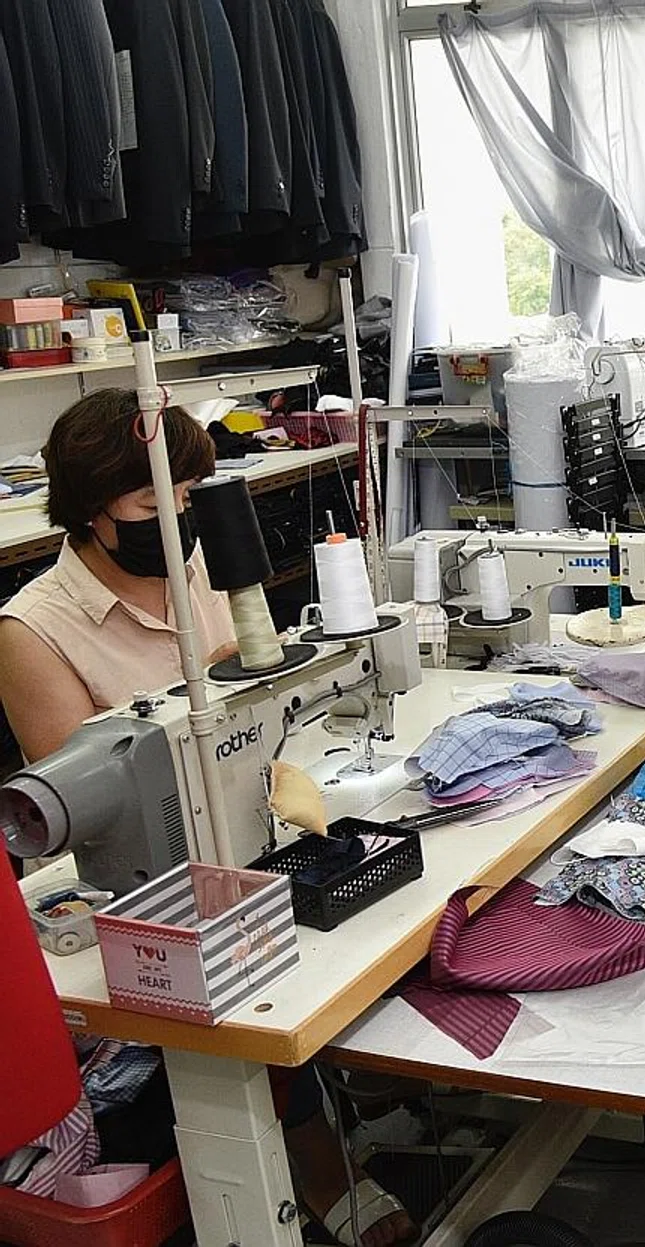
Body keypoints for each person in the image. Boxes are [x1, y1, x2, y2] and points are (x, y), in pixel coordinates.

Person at [0, 389, 414, 1247]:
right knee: (263, 988)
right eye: (156, 502)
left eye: (189, 494)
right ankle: (315, 1162)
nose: (180, 517)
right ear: (88, 509)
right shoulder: (31, 631)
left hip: (246, 825)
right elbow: (89, 800)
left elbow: (257, 690)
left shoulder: (198, 566)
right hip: (146, 883)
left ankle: (349, 1084)